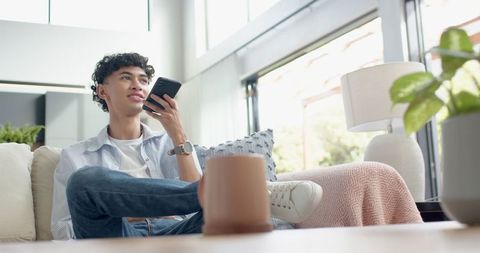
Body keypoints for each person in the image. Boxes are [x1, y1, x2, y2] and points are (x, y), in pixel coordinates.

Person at [51, 52, 322, 240]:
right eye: (126, 77)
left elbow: (195, 203)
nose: (138, 84)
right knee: (84, 181)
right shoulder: (75, 155)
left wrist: (178, 133)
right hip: (116, 237)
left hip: (176, 232)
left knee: (221, 212)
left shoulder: (166, 142)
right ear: (102, 91)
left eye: (143, 80)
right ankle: (241, 193)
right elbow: (63, 229)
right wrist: (123, 215)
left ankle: (242, 196)